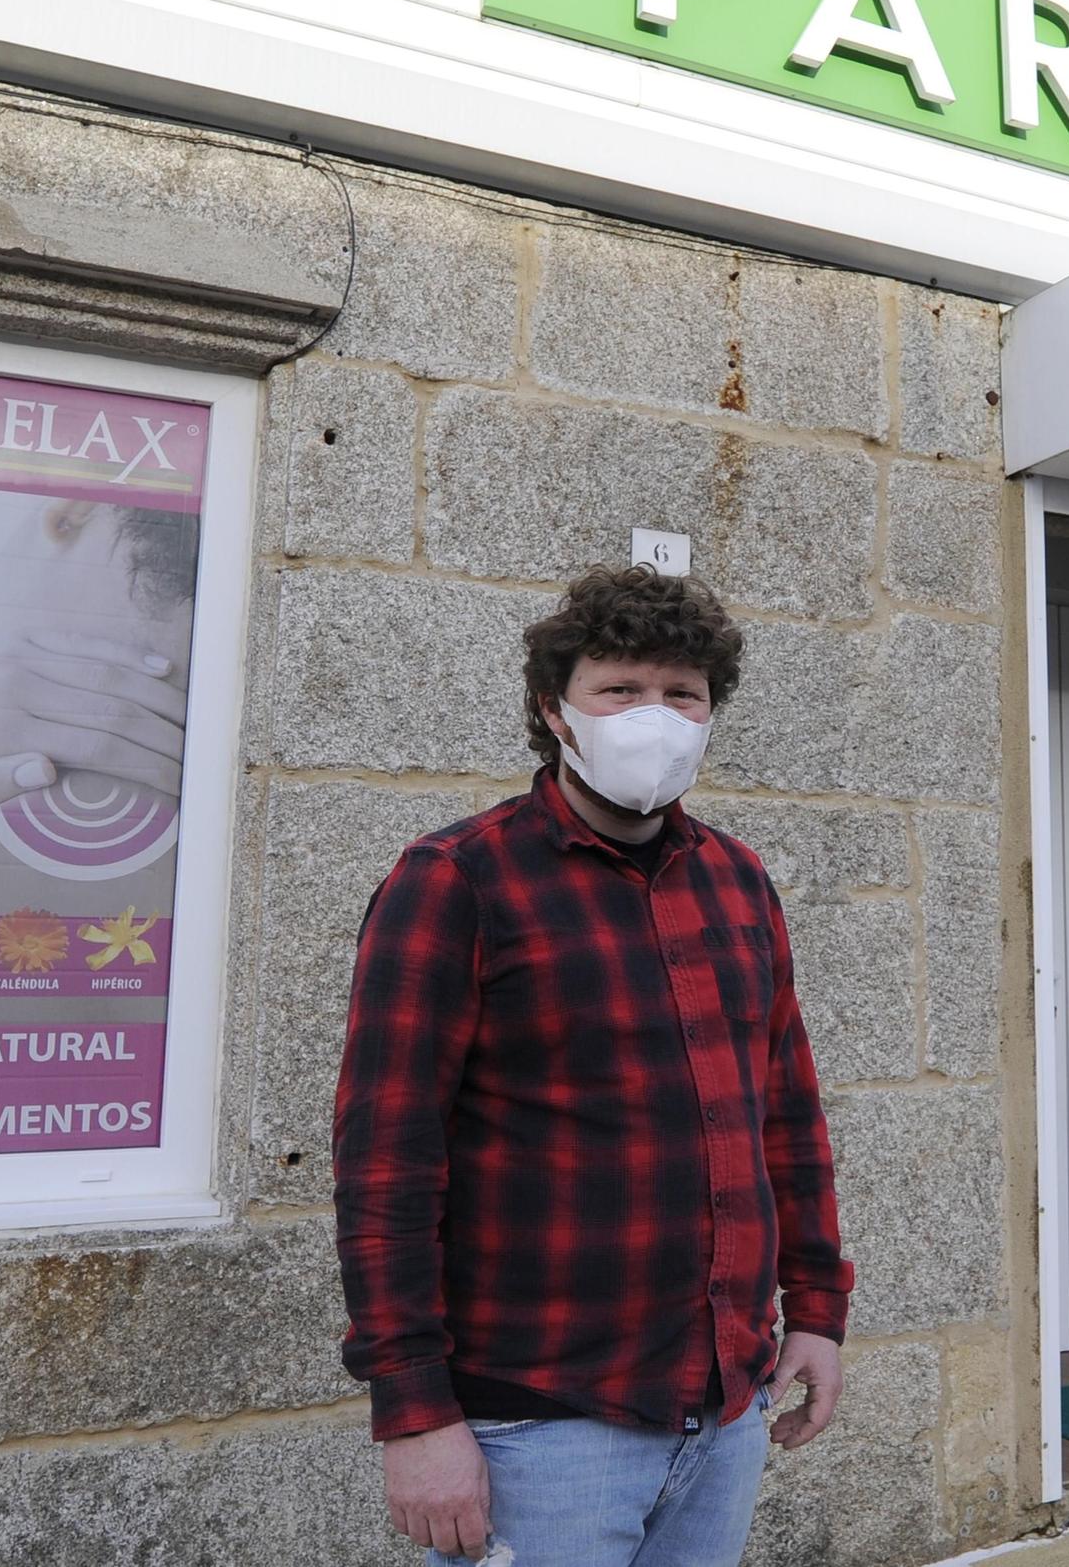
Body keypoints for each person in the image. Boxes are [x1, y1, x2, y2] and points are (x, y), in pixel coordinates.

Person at [334, 565, 855, 1567]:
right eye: (619, 689)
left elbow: (783, 1118)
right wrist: (412, 1414)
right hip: (541, 1426)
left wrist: (816, 1311)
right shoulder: (456, 881)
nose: (652, 716)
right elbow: (386, 1165)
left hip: (723, 1411)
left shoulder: (738, 880)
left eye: (681, 693)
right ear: (554, 711)